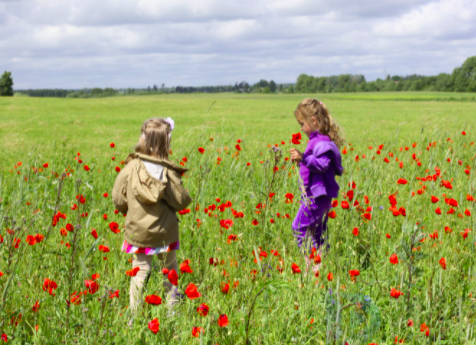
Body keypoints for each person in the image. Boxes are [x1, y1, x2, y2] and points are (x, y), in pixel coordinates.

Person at [112, 117, 191, 314]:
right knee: (169, 269)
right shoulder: (168, 171)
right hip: (165, 232)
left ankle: (133, 317)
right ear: (166, 142)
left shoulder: (130, 168)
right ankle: (172, 312)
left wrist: (128, 213)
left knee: (139, 271)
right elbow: (180, 201)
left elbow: (117, 198)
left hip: (138, 233)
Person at [289, 98, 344, 268]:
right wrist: (302, 162)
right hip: (317, 198)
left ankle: (313, 265)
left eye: (302, 124)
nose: (301, 128)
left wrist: (303, 157)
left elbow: (322, 165)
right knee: (317, 234)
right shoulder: (319, 140)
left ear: (313, 121)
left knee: (299, 228)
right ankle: (320, 268)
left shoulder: (322, 142)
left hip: (315, 198)